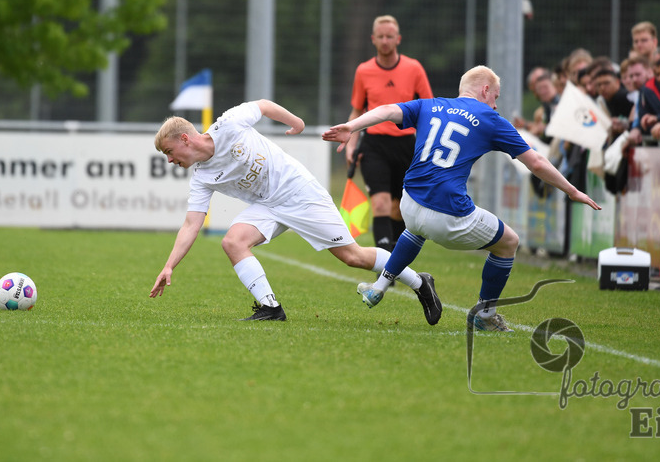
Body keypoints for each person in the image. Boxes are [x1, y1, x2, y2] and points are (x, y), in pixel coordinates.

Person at [322, 66, 601, 332]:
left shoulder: (429, 105)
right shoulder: (491, 119)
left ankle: (379, 286)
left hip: (410, 202)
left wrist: (351, 126)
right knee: (509, 243)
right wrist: (572, 191)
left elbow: (385, 110)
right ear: (485, 89)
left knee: (416, 228)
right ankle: (486, 315)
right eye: (496, 97)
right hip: (448, 215)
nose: (496, 104)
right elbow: (537, 163)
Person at [150, 99, 442, 323]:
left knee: (353, 257)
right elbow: (191, 225)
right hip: (267, 205)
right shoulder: (201, 177)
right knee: (233, 242)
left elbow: (263, 105)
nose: (170, 160)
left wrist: (296, 121)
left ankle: (420, 282)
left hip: (299, 192)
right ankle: (271, 308)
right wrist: (169, 265)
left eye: (169, 152)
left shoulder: (229, 124)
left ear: (185, 139)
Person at [344, 15, 433, 252]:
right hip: (374, 145)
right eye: (380, 36)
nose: (385, 41)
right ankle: (384, 264)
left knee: (399, 207)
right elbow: (357, 111)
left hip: (406, 145)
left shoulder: (414, 68)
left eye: (389, 36)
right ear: (373, 39)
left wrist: (428, 145)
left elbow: (429, 109)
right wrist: (351, 145)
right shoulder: (364, 71)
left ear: (398, 39)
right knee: (380, 203)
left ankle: (395, 257)